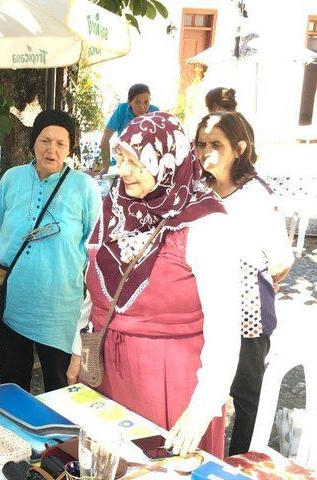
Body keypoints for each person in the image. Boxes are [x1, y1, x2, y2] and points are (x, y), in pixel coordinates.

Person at [68, 111, 242, 458]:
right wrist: (77, 349)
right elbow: (94, 287)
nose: (123, 171)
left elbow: (225, 329)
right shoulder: (114, 206)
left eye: (135, 162)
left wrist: (202, 409)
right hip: (105, 373)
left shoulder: (206, 224)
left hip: (168, 385)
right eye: (120, 159)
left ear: (166, 162)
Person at [195, 112, 294, 455]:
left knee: (246, 400)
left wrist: (249, 280)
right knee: (204, 392)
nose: (206, 151)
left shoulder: (256, 196)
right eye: (201, 144)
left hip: (247, 319)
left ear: (238, 149)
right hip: (201, 314)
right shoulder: (195, 192)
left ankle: (238, 463)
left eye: (216, 145)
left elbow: (281, 260)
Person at [0, 110, 101, 393]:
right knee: (12, 388)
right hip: (15, 303)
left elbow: (93, 245)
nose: (52, 150)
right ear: (33, 142)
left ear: (70, 147)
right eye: (45, 140)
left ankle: (58, 440)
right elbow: (3, 227)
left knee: (61, 389)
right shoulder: (12, 179)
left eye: (61, 143)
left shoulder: (84, 187)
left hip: (61, 311)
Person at [99, 84, 159, 171]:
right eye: (137, 102)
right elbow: (105, 139)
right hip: (125, 161)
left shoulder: (155, 112)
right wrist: (106, 167)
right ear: (129, 102)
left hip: (148, 163)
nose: (142, 107)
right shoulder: (121, 110)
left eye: (146, 102)